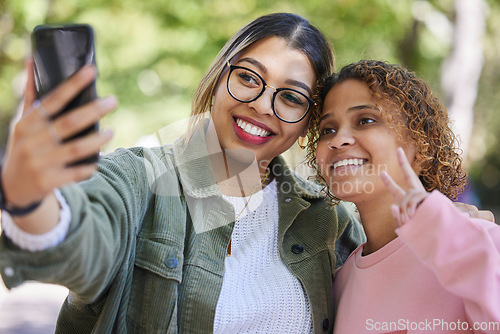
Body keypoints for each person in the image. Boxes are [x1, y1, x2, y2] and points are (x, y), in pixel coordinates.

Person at [0, 13, 365, 333]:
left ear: (307, 124)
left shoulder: (329, 221)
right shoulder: (137, 177)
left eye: (291, 97)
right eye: (250, 78)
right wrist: (30, 199)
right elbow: (80, 247)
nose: (261, 105)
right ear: (219, 76)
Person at [308, 60, 500, 333]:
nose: (338, 139)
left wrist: (451, 234)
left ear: (422, 146)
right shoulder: (339, 283)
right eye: (328, 129)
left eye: (366, 120)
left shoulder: (481, 244)